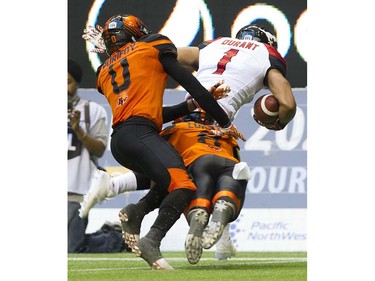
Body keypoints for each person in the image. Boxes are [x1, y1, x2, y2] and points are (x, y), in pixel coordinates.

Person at [81, 23, 296, 262]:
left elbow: (155, 53)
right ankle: (135, 211)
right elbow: (287, 103)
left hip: (180, 119)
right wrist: (279, 122)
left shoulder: (213, 45)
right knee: (225, 172)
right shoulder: (267, 54)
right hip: (211, 121)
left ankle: (116, 187)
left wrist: (114, 50)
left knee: (175, 171)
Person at [93, 13, 242, 270]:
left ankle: (135, 213)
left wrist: (191, 105)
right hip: (141, 134)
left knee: (169, 181)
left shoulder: (104, 70)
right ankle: (152, 240)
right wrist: (224, 121)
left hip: (122, 140)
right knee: (185, 186)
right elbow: (192, 84)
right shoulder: (153, 45)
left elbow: (152, 112)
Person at [68, 58, 109, 252]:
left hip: (77, 191)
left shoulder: (93, 110)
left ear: (76, 84)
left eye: (67, 82)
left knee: (71, 247)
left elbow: (100, 149)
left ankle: (115, 238)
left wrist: (79, 131)